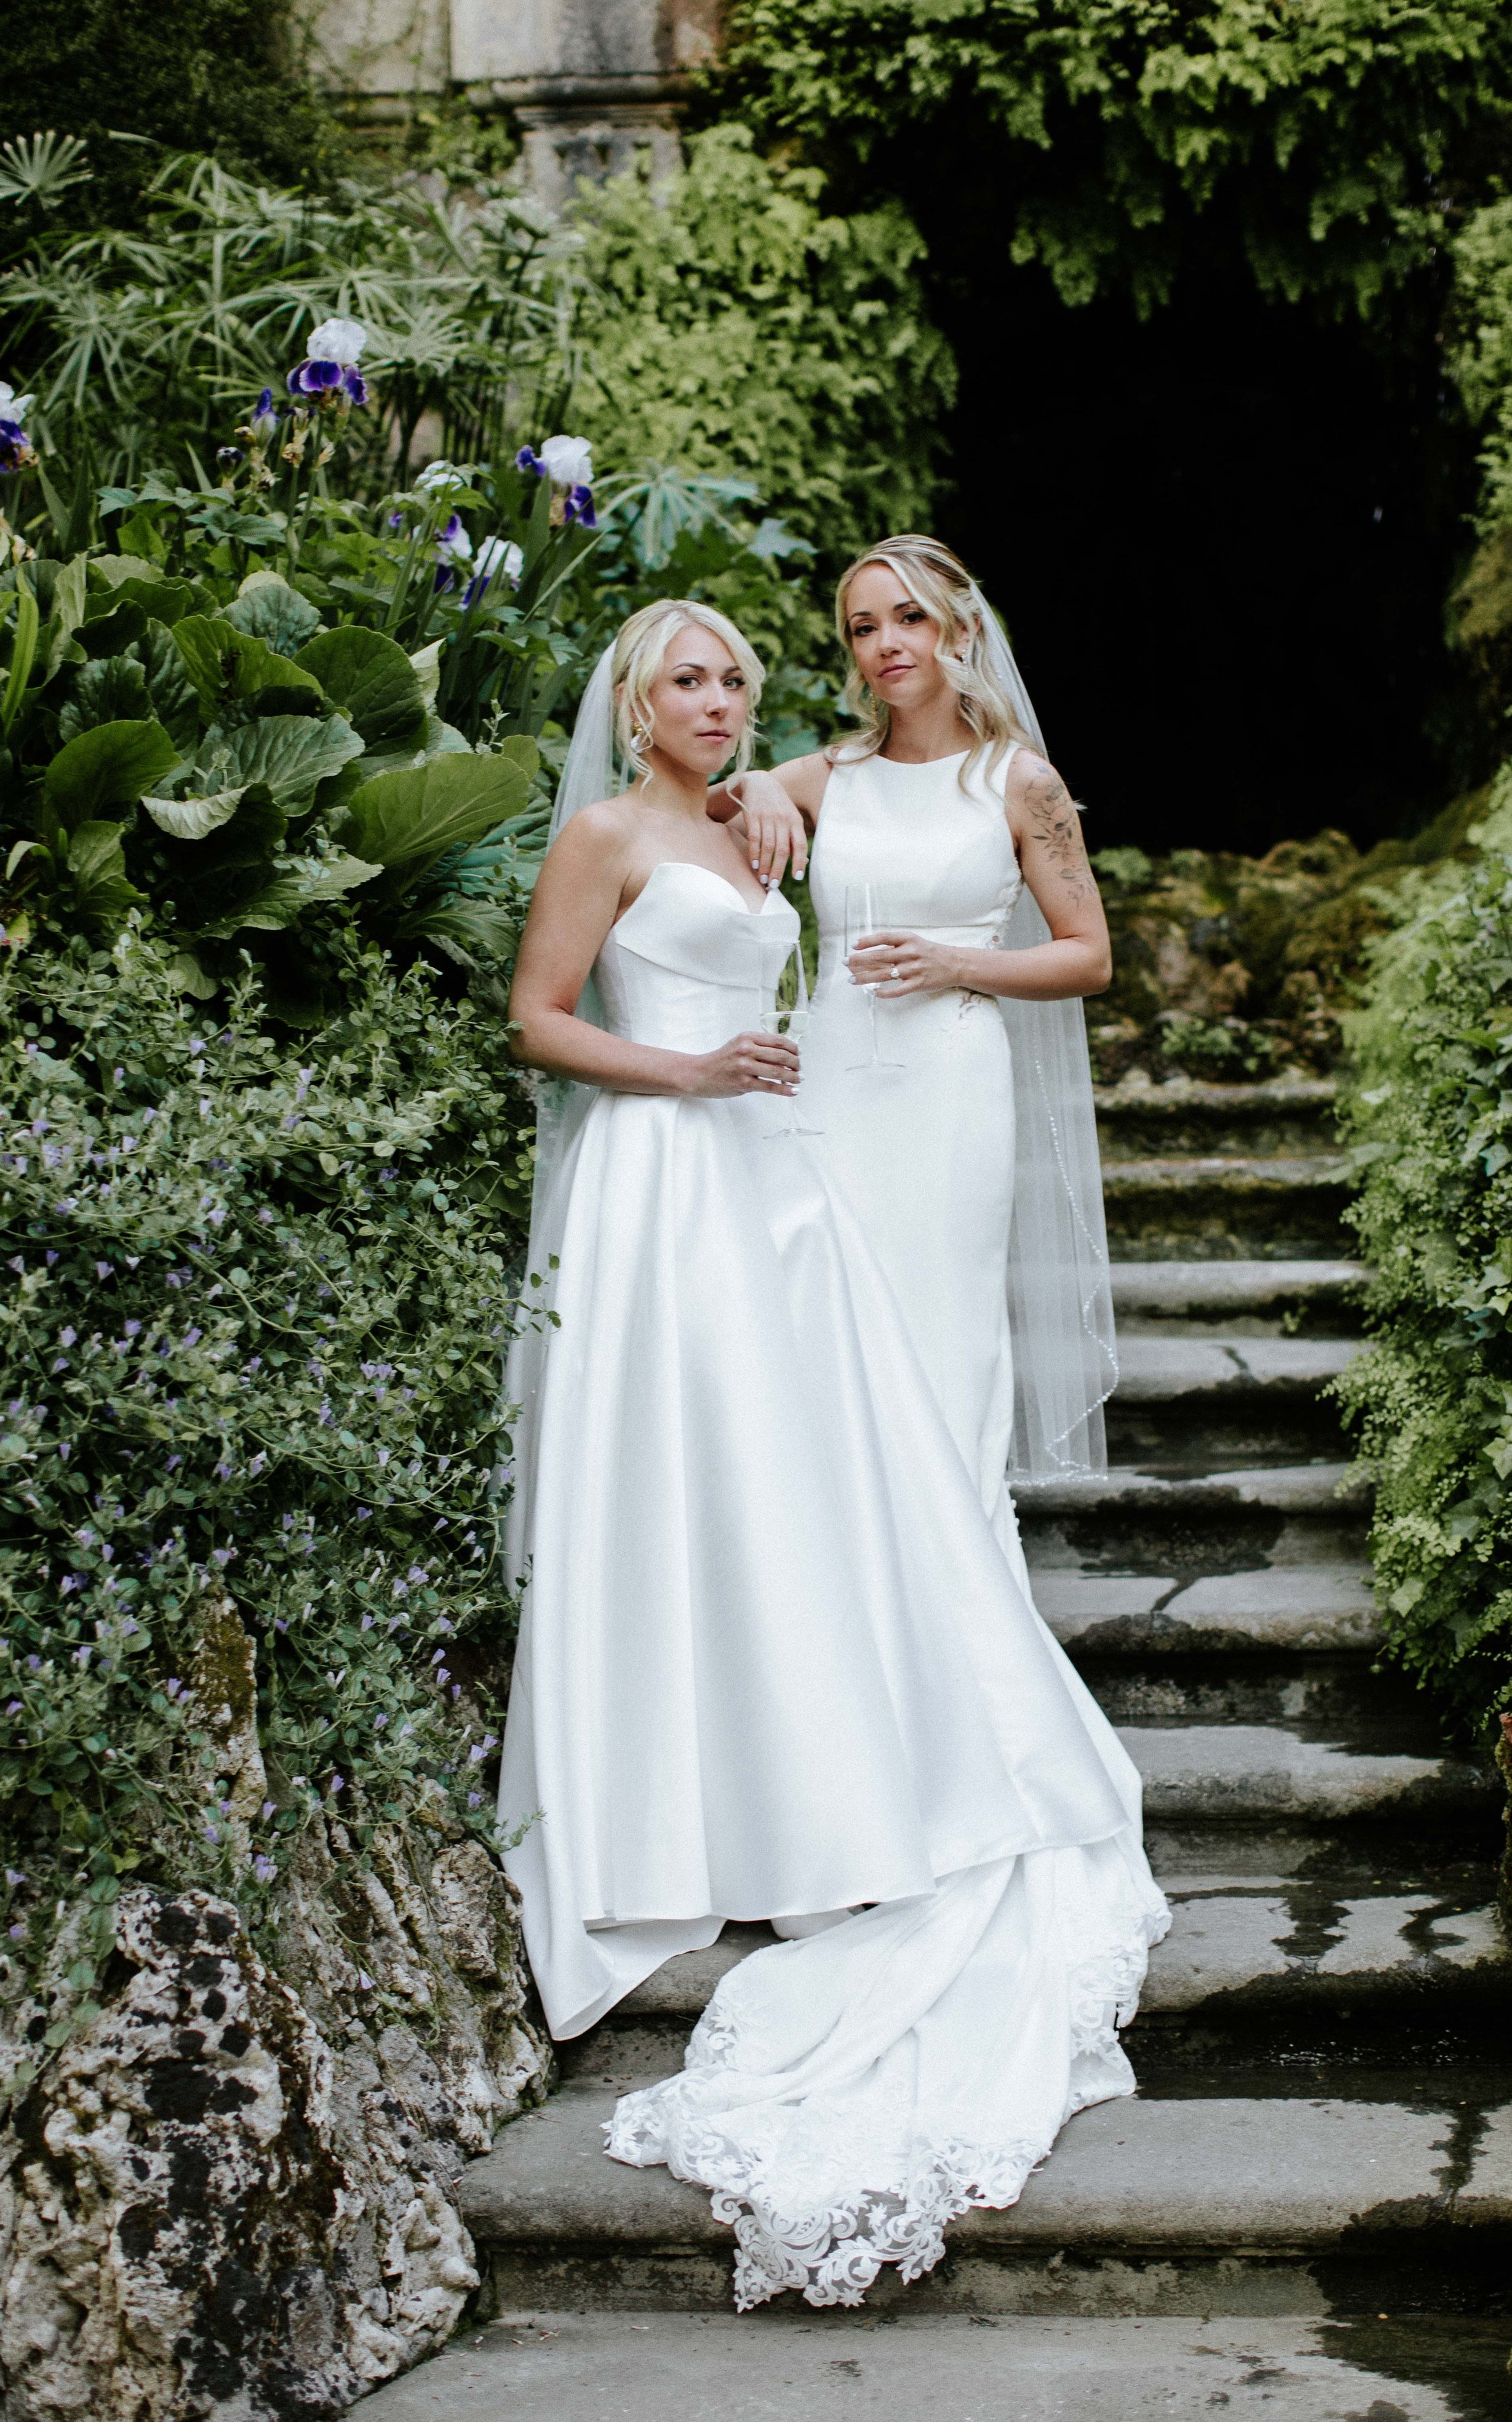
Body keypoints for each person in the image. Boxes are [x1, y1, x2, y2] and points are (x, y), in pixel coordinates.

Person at [501, 596, 1167, 2312]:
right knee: (722, 1471)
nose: (721, 698)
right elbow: (545, 1010)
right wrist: (698, 1033)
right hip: (698, 1161)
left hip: (823, 1132)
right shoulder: (704, 807)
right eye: (689, 677)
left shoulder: (961, 784)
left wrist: (895, 930)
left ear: (954, 633)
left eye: (734, 674)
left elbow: (1082, 944)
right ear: (636, 700)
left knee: (870, 1436)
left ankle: (892, 1698)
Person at [714, 533, 1118, 1513]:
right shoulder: (832, 774)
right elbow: (713, 808)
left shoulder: (1021, 783)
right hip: (832, 1073)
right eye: (863, 626)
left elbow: (1090, 955)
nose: (887, 641)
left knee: (941, 1318)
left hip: (951, 1078)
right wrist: (762, 782)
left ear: (960, 628)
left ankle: (957, 1558)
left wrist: (956, 962)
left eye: (909, 617)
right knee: (827, 1309)